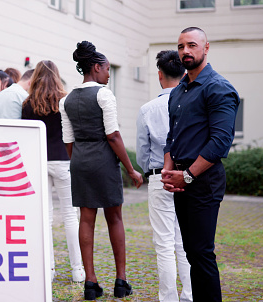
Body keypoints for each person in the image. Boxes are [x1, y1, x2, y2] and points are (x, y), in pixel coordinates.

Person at [161, 27, 239, 302]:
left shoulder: (219, 88)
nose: (185, 51)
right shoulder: (179, 90)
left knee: (202, 252)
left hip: (203, 180)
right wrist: (169, 168)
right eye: (181, 46)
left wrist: (188, 176)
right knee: (192, 252)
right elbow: (172, 135)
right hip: (182, 179)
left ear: (206, 48)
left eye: (192, 45)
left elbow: (220, 142)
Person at [60, 41, 143, 300]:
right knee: (114, 218)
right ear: (96, 67)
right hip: (104, 162)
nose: (108, 74)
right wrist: (131, 169)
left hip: (80, 161)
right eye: (107, 69)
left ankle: (91, 283)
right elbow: (114, 135)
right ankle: (121, 281)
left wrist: (80, 162)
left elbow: (68, 140)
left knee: (86, 219)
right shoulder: (104, 94)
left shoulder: (66, 100)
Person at [136, 50, 192, 302]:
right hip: (189, 176)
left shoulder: (148, 109)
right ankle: (190, 295)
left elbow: (141, 153)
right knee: (186, 242)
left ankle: (168, 299)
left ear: (160, 74)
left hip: (159, 177)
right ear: (184, 73)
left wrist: (151, 169)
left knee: (164, 244)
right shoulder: (192, 103)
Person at [21, 60, 84, 283]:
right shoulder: (65, 101)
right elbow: (73, 133)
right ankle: (78, 270)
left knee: (45, 217)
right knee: (70, 216)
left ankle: (49, 269)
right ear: (57, 76)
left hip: (39, 160)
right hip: (63, 160)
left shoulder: (28, 103)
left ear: (35, 76)